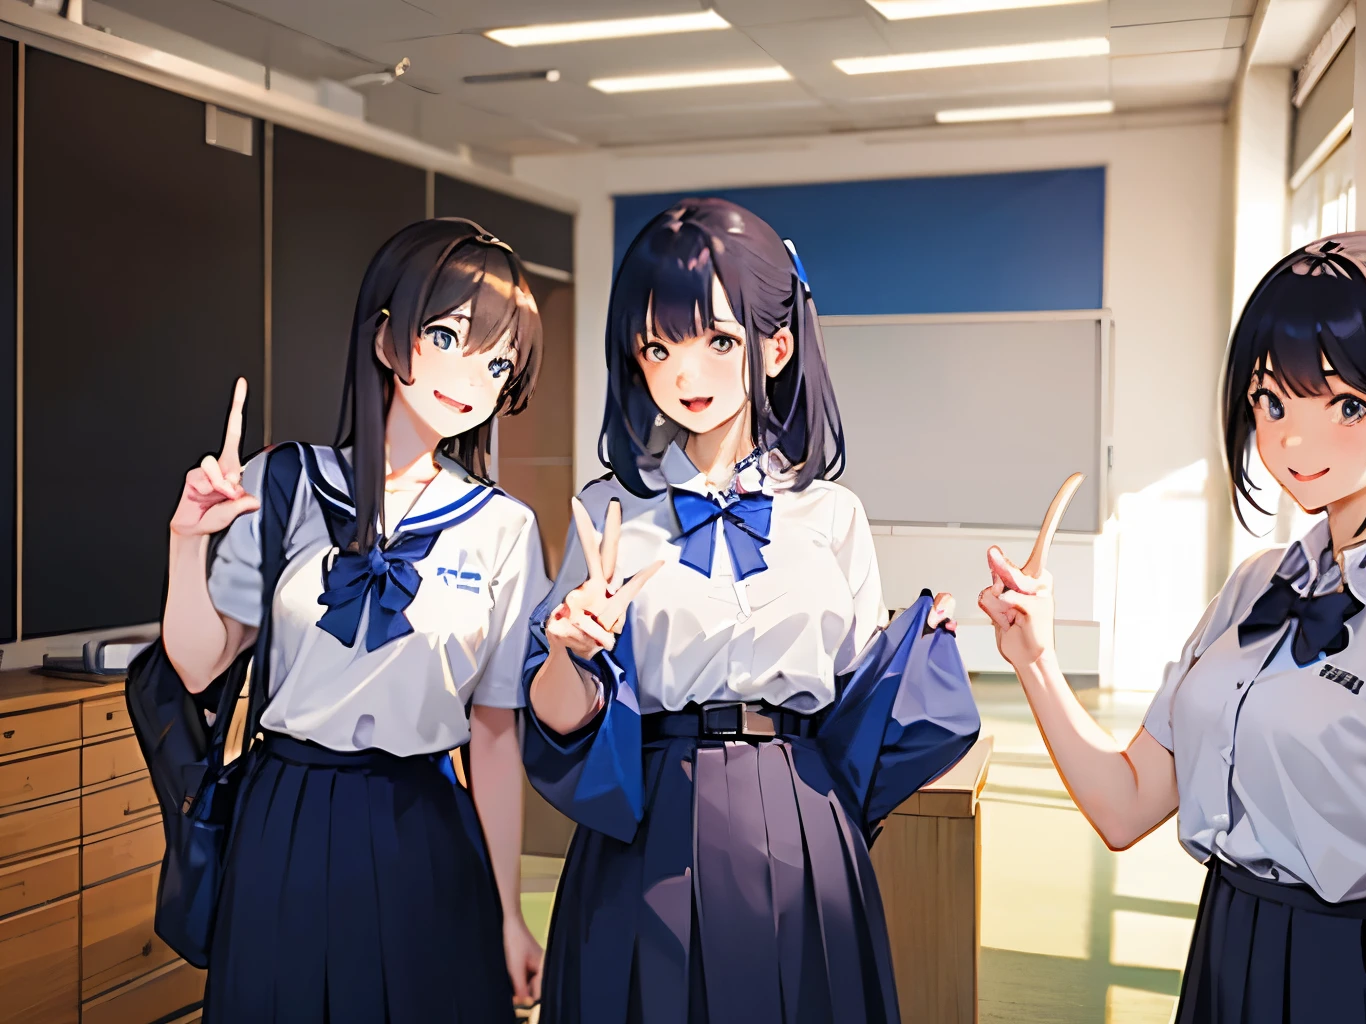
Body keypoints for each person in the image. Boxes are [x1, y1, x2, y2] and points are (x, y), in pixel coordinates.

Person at [981, 232, 1366, 1023]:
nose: (1291, 440)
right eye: (1272, 401)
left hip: (1351, 971)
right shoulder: (1253, 587)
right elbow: (1126, 805)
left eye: (1344, 404)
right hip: (1224, 952)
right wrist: (1035, 659)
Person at [521, 198, 981, 1023]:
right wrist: (569, 653)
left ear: (775, 348)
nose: (685, 376)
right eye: (658, 348)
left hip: (801, 823)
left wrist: (918, 651)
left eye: (716, 341)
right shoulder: (608, 511)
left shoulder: (833, 515)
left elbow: (855, 707)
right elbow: (557, 722)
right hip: (646, 829)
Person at [162, 218, 548, 1021]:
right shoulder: (284, 485)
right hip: (285, 816)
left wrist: (511, 910)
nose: (471, 375)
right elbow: (201, 666)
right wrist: (184, 544)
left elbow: (497, 733)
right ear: (386, 340)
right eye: (448, 336)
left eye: (498, 360)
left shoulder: (503, 528)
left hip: (424, 820)